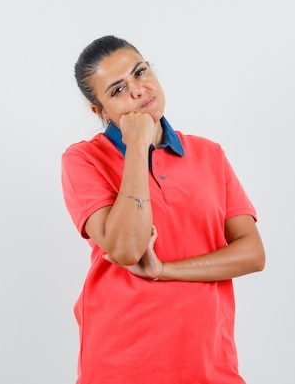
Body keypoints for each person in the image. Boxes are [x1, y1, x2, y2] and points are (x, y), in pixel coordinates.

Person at [61, 35, 266, 384]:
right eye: (118, 90)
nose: (138, 90)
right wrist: (137, 144)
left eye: (141, 72)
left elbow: (252, 254)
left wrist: (165, 269)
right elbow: (127, 248)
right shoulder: (83, 160)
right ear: (101, 112)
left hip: (208, 363)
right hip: (122, 364)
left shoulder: (209, 155)